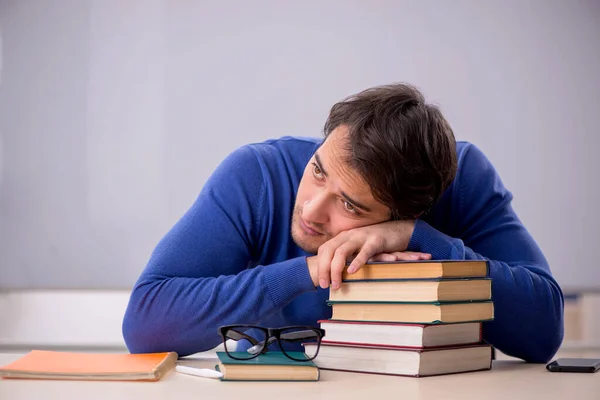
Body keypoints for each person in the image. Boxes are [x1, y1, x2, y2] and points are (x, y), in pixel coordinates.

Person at [122, 83, 564, 363]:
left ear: (406, 210)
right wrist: (309, 271)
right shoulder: (257, 175)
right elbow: (145, 323)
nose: (312, 210)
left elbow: (544, 332)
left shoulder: (464, 179)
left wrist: (421, 238)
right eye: (318, 170)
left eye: (350, 206)